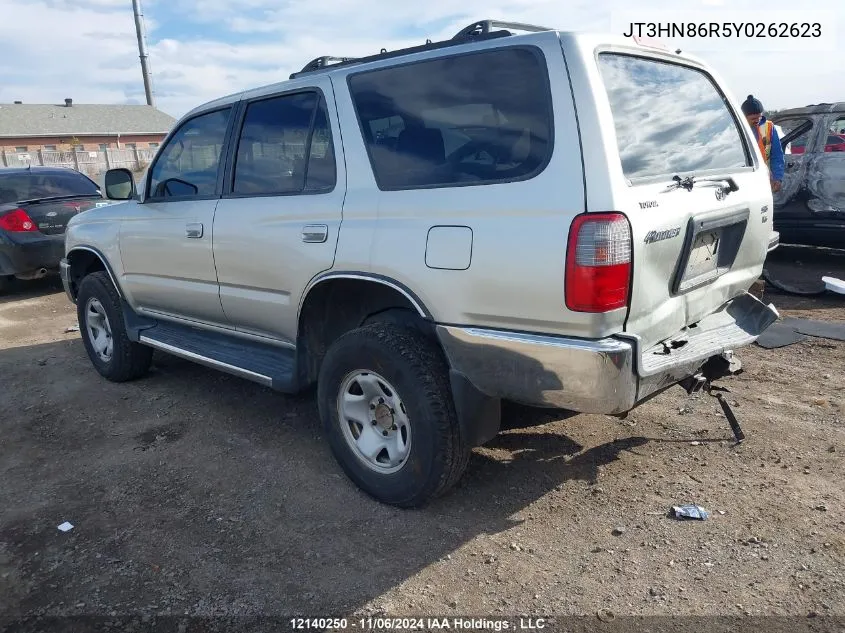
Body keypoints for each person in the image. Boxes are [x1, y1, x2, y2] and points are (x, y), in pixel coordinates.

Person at [741, 94, 784, 193]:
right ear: (743, 117)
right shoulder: (736, 129)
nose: (757, 121)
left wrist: (777, 178)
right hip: (744, 179)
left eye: (759, 117)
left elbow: (777, 154)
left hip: (763, 178)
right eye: (753, 119)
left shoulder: (769, 127)